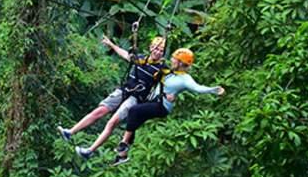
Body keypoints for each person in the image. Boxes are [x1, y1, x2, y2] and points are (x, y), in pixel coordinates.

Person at [90, 47, 224, 165]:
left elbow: (198, 88)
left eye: (174, 59)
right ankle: (122, 156)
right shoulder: (171, 71)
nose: (171, 61)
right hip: (153, 101)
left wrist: (215, 90)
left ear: (180, 63)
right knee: (134, 121)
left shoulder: (185, 79)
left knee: (134, 111)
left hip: (162, 106)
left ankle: (124, 143)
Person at [60, 35, 167, 156]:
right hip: (124, 90)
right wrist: (111, 44)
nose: (157, 52)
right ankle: (70, 132)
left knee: (112, 122)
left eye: (161, 51)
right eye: (156, 49)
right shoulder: (141, 58)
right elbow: (125, 54)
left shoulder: (162, 69)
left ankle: (89, 151)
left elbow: (171, 81)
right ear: (151, 47)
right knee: (99, 111)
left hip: (136, 98)